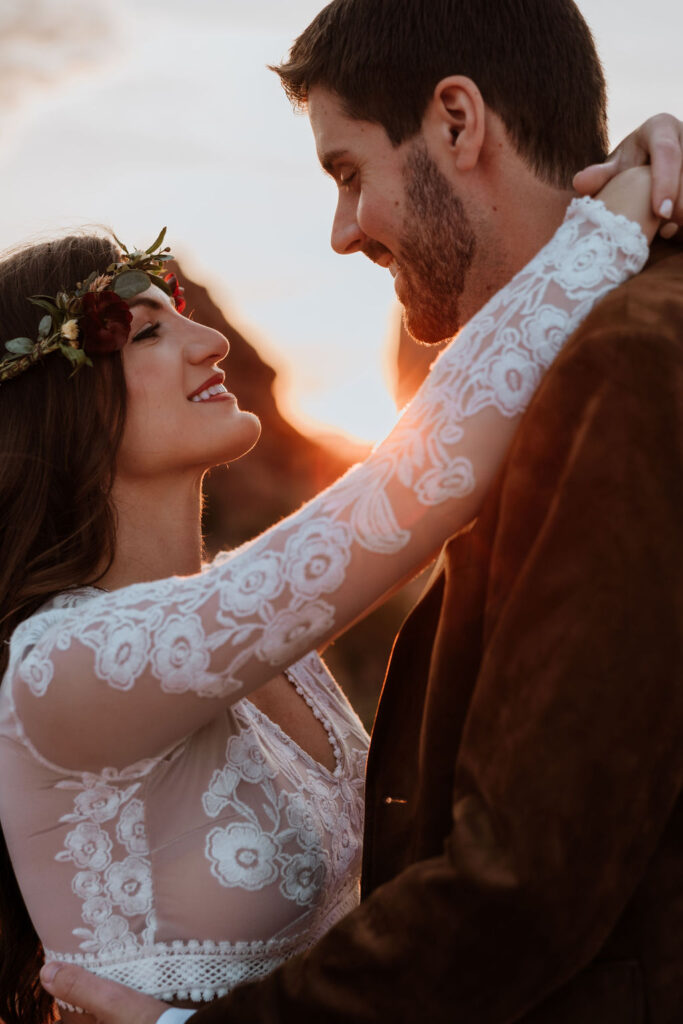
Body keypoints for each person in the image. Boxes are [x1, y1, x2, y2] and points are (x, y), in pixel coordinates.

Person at [38, 1, 683, 1022]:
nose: (339, 234)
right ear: (67, 410)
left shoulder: (624, 361)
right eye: (148, 331)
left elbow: (520, 881)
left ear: (457, 123)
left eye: (345, 174)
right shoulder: (65, 664)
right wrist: (606, 227)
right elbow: (393, 505)